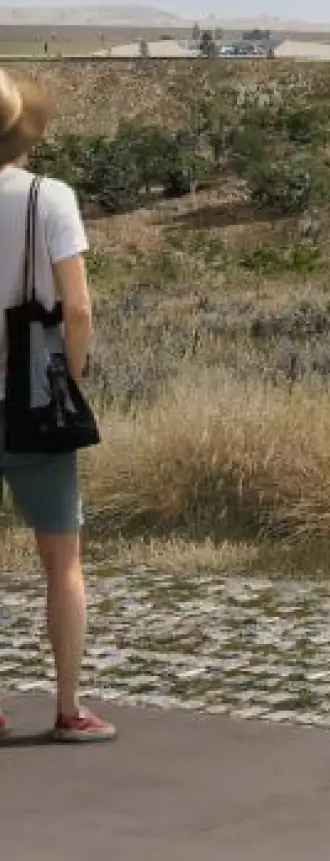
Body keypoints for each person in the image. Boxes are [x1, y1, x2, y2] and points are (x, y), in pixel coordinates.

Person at [0, 68, 115, 743]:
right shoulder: (50, 198)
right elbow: (78, 306)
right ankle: (69, 708)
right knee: (62, 562)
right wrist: (70, 373)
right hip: (36, 399)